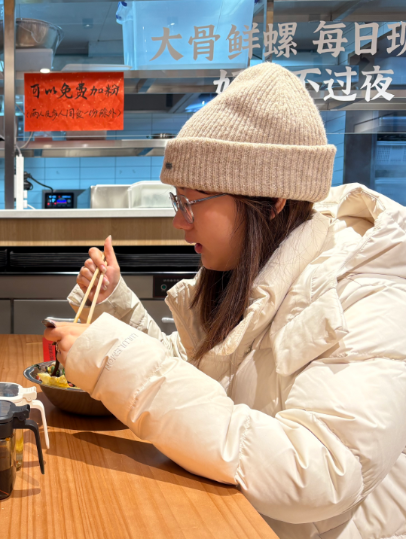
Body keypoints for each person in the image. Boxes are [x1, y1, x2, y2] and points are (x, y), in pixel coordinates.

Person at [44, 62, 406, 539]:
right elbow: (194, 374)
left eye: (190, 202)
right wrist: (118, 304)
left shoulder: (363, 292)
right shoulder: (249, 267)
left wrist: (113, 357)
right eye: (176, 201)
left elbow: (320, 475)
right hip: (237, 516)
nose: (179, 221)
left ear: (272, 201)